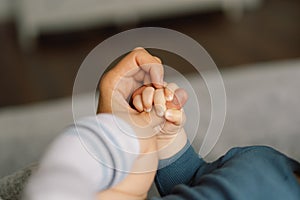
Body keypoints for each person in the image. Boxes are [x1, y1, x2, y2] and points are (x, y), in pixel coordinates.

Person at [22, 48, 300, 200]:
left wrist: (118, 134)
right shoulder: (264, 159)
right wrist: (166, 139)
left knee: (68, 168)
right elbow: (195, 180)